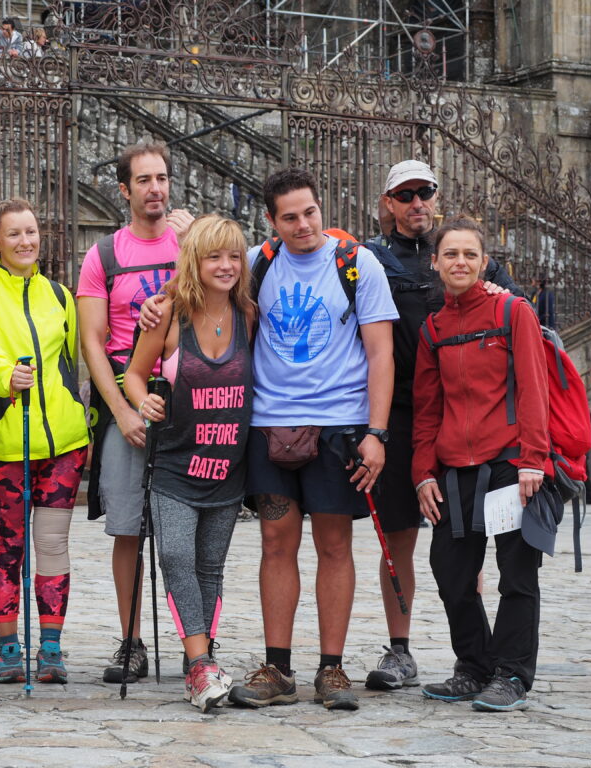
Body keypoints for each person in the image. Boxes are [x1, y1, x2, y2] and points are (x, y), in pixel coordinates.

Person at [226, 167, 398, 712]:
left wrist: (376, 433)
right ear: (271, 222)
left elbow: (380, 353)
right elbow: (203, 298)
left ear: (321, 207)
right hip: (269, 423)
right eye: (290, 217)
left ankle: (332, 668)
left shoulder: (357, 263)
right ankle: (277, 666)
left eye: (310, 212)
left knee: (334, 544)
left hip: (338, 428)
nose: (303, 224)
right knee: (276, 543)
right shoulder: (257, 263)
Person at [362, 160, 522, 692]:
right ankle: (400, 648)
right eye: (404, 195)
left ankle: (473, 658)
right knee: (400, 538)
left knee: (464, 539)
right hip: (404, 413)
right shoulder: (370, 259)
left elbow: (515, 322)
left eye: (424, 192)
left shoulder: (476, 261)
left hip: (468, 414)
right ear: (388, 202)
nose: (416, 203)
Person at [414, 216, 549, 712]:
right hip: (453, 471)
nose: (460, 263)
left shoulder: (513, 311)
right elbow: (427, 409)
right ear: (435, 263)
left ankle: (511, 674)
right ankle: (473, 667)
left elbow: (535, 390)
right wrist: (423, 473)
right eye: (451, 254)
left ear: (484, 261)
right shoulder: (434, 328)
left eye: (470, 254)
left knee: (517, 575)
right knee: (450, 573)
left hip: (512, 466)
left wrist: (534, 460)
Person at [123, 214, 255, 711]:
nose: (224, 265)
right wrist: (144, 402)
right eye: (213, 256)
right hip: (176, 465)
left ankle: (200, 660)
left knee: (209, 568)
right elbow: (135, 375)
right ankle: (201, 665)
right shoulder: (168, 316)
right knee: (175, 556)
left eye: (233, 256)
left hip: (228, 468)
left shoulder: (249, 315)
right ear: (193, 262)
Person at [76, 142, 193, 684]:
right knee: (128, 527)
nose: (156, 189)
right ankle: (130, 640)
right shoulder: (104, 256)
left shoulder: (191, 242)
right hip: (127, 393)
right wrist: (121, 411)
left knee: (190, 525)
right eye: (143, 180)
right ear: (124, 190)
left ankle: (197, 638)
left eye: (162, 178)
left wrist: (192, 242)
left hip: (189, 393)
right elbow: (93, 343)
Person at [0, 198, 89, 684]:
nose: (25, 242)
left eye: (31, 232)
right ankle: (9, 647)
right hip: (6, 445)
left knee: (54, 543)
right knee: (8, 545)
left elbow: (73, 362)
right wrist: (4, 377)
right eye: (13, 234)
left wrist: (86, 418)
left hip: (64, 444)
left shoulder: (60, 296)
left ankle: (52, 647)